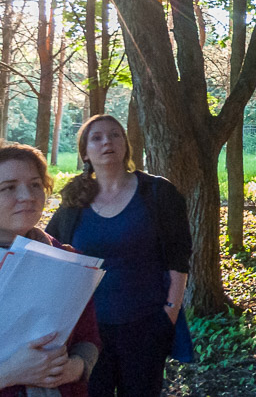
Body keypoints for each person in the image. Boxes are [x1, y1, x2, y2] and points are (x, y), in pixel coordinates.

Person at [46, 115, 191, 397]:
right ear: (85, 153)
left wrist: (169, 314)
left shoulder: (158, 192)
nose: (107, 142)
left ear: (125, 144)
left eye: (115, 135)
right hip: (88, 333)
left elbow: (178, 258)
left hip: (145, 324)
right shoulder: (74, 200)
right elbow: (51, 250)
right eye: (97, 138)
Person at [0, 143, 100, 397]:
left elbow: (88, 337)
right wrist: (8, 373)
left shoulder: (66, 258)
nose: (28, 196)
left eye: (35, 185)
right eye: (9, 187)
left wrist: (76, 367)